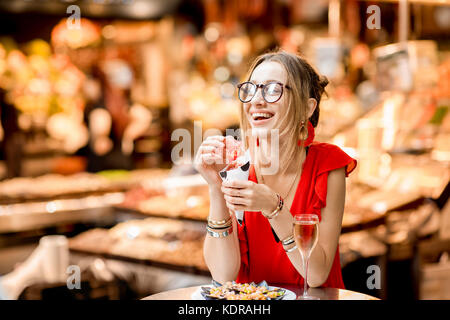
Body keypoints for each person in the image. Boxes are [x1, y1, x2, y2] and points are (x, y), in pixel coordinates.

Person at [195, 50, 357, 289]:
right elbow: (224, 275)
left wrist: (274, 208)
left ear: (307, 107)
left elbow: (317, 274)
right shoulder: (237, 167)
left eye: (272, 90)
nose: (256, 101)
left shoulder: (328, 165)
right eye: (251, 89)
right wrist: (216, 187)